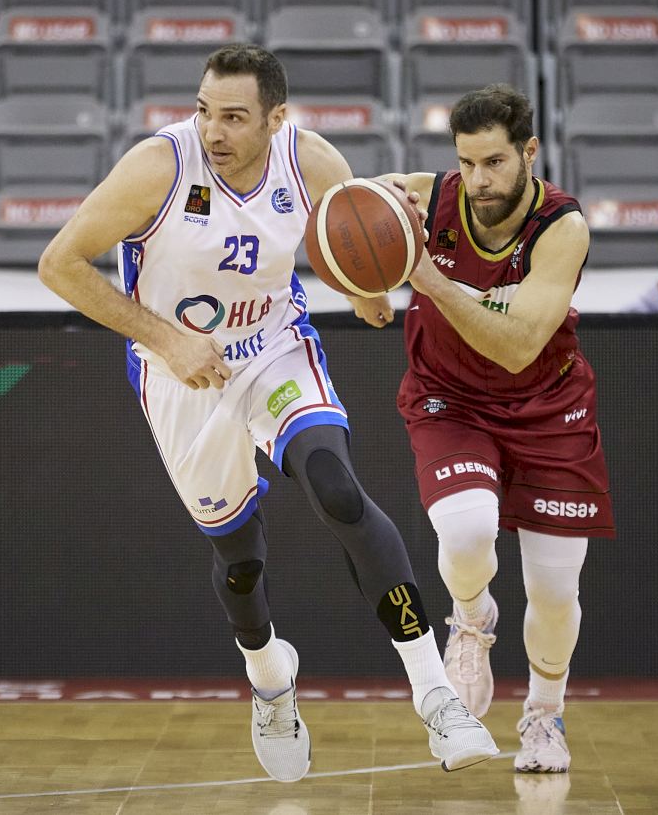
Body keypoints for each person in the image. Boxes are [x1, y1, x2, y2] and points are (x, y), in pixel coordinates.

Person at [37, 44, 497, 782]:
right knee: (240, 558)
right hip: (180, 374)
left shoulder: (310, 161)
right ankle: (269, 678)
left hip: (274, 349)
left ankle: (437, 697)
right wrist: (167, 340)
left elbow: (357, 254)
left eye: (233, 117)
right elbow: (58, 263)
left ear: (276, 119)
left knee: (339, 492)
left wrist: (370, 286)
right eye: (204, 111)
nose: (213, 130)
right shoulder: (159, 168)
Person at [351, 83, 616, 773]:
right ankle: (471, 619)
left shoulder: (562, 229)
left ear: (529, 153)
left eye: (494, 162)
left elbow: (520, 345)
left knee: (555, 591)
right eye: (465, 163)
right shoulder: (427, 198)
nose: (478, 180)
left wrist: (430, 282)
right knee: (467, 532)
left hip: (548, 407)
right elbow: (341, 216)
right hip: (450, 400)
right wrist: (363, 283)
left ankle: (544, 716)